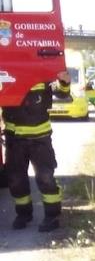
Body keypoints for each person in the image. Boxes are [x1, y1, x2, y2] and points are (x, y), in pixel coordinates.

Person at [1, 82, 62, 231]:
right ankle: (23, 214)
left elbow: (62, 93)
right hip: (14, 139)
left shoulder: (41, 67)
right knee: (16, 179)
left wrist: (64, 81)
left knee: (45, 177)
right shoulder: (6, 69)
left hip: (39, 138)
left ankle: (52, 216)